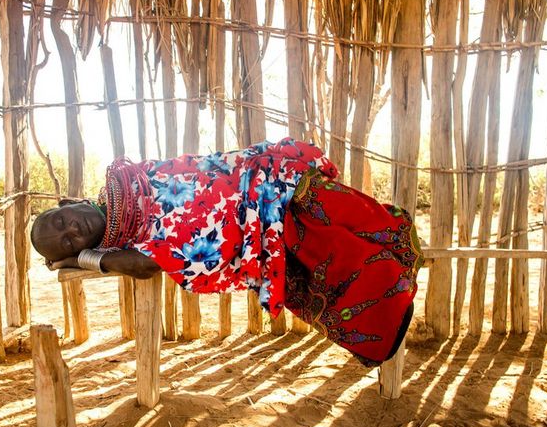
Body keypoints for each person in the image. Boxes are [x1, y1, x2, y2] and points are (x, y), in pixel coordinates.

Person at [31, 138, 423, 367]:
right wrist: (87, 259)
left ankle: (391, 258)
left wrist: (81, 258)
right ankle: (386, 302)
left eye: (61, 220)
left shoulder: (131, 177)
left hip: (258, 184)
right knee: (315, 264)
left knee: (335, 224)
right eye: (68, 243)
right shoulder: (126, 241)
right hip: (247, 223)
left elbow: (198, 176)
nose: (71, 231)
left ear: (69, 200)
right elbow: (149, 262)